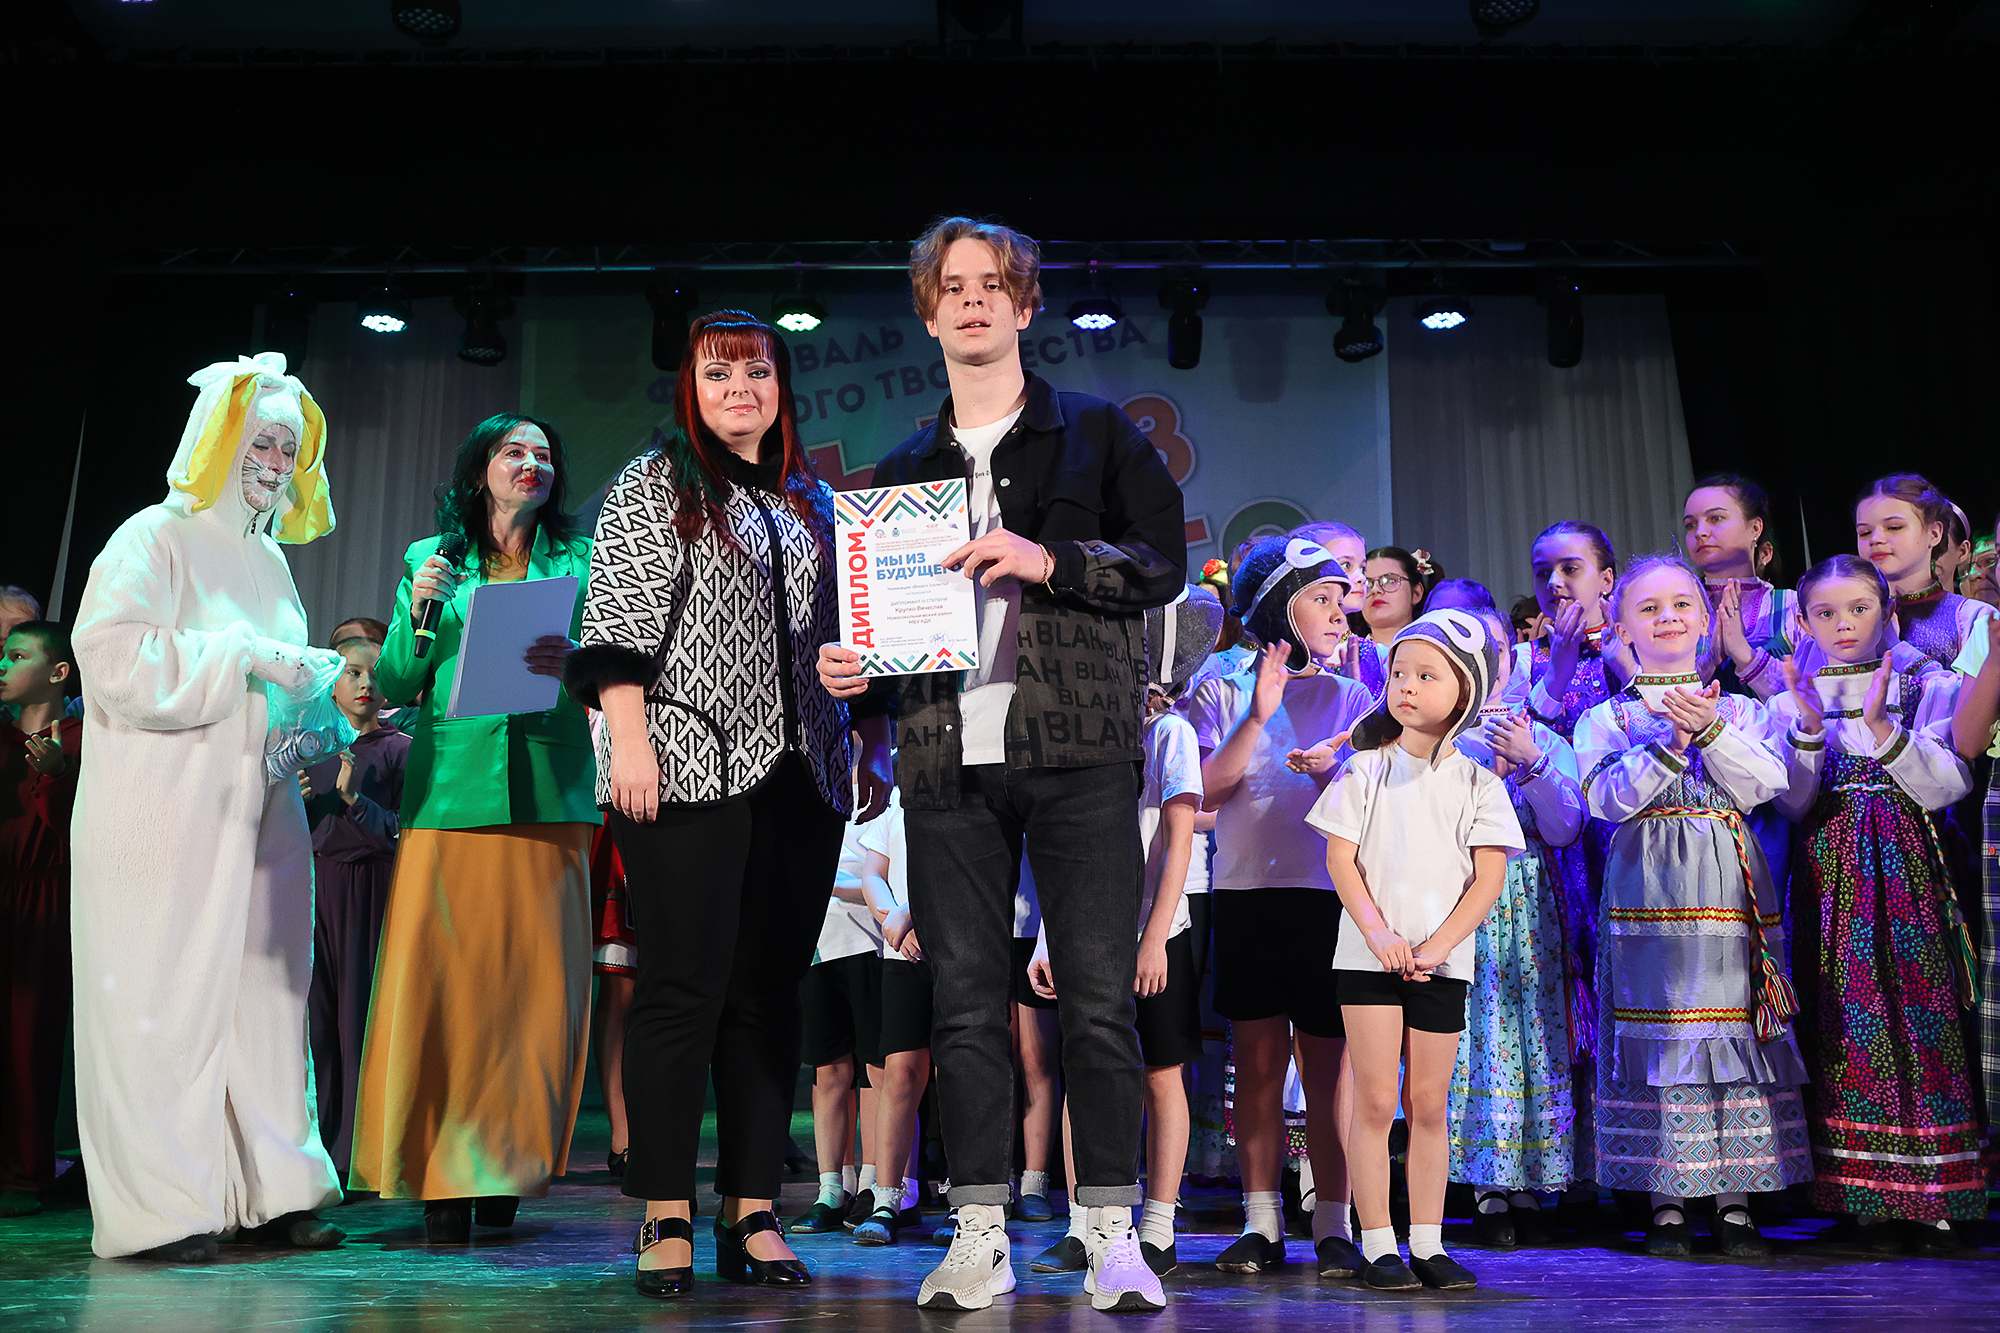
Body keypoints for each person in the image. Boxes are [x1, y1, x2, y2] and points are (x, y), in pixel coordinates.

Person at [817, 215, 1185, 1314]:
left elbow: (1160, 564)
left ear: (1025, 307)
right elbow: (882, 637)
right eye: (952, 286)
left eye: (992, 285)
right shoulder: (900, 473)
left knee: (1096, 1001)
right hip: (945, 758)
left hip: (1077, 749)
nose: (972, 301)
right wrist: (853, 671)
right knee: (965, 1006)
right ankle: (977, 1232)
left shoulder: (1096, 435)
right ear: (929, 314)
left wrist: (1049, 557)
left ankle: (1110, 1231)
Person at [566, 311, 888, 1300]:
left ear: (781, 386)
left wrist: (862, 701)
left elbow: (853, 636)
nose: (739, 389)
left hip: (804, 774)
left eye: (756, 372)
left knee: (768, 993)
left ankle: (751, 1207)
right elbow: (614, 624)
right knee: (682, 986)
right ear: (691, 389)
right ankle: (664, 1206)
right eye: (718, 373)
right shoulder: (655, 482)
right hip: (683, 761)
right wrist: (629, 741)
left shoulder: (814, 500)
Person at [70, 352, 348, 1260]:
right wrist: (245, 654)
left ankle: (276, 1190)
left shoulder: (270, 560)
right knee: (162, 1000)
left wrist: (310, 716)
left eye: (289, 448)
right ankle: (160, 1208)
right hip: (162, 817)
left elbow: (279, 695)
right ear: (221, 440)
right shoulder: (152, 536)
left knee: (267, 1000)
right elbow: (113, 656)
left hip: (258, 814)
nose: (275, 461)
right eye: (262, 441)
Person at [350, 411, 597, 1243]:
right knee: (442, 983)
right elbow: (396, 679)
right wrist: (421, 607)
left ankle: (506, 1165)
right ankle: (434, 1169)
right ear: (478, 469)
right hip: (451, 792)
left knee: (531, 991)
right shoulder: (431, 558)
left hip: (550, 788)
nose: (531, 463)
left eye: (543, 453)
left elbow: (617, 661)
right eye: (513, 451)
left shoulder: (581, 556)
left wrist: (579, 662)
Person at [1573, 552, 1810, 1259]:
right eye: (1648, 609)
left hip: (1728, 893)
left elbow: (1768, 783)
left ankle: (1735, 1196)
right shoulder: (1608, 716)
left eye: (1681, 605)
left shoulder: (1739, 709)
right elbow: (1604, 798)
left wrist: (1709, 731)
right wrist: (1670, 747)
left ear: (1705, 620)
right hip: (1648, 897)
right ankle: (1667, 1197)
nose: (1668, 617)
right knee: (1663, 1032)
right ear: (1622, 629)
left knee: (1733, 1025)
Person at [1768, 554, 1979, 1253]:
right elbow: (1793, 803)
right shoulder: (1791, 697)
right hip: (1829, 876)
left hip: (1907, 869)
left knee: (1919, 1014)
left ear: (1887, 611)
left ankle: (1933, 1193)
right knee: (1842, 1018)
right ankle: (1862, 1193)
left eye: (1859, 608)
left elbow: (1948, 785)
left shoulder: (1927, 684)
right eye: (1825, 612)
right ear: (1804, 623)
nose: (1843, 623)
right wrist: (1806, 727)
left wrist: (1884, 726)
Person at [1309, 608, 1520, 1292]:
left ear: (1464, 691)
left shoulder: (1480, 783)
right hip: (1366, 961)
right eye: (1400, 672)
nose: (1407, 685)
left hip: (1441, 964)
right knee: (1374, 1102)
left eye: (1427, 675)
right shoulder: (1363, 770)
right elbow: (1341, 859)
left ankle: (1427, 1242)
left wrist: (1437, 946)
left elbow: (1487, 879)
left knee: (1428, 1104)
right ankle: (1377, 1244)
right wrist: (1379, 933)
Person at [1190, 537, 1373, 1280]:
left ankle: (1333, 1222)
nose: (1338, 612)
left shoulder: (1353, 697)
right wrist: (1258, 713)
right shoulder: (1222, 687)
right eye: (1320, 598)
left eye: (1340, 598)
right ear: (1276, 607)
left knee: (1328, 1071)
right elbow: (1207, 790)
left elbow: (1366, 807)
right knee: (1258, 1067)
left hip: (1325, 899)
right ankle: (1261, 1222)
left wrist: (1334, 769)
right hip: (1246, 896)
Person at [1033, 584, 1224, 1277]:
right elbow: (1061, 847)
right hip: (1085, 925)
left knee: (1160, 1071)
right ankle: (1084, 1221)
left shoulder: (1170, 733)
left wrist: (1153, 938)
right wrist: (1049, 936)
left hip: (1156, 929)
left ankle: (1159, 1224)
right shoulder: (1085, 729)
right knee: (1084, 1063)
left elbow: (1177, 843)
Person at [1441, 604, 1585, 1247]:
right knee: (1474, 1035)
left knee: (1531, 1032)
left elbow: (1566, 826)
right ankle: (1485, 1183)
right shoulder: (1437, 742)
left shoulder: (1541, 736)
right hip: (1459, 899)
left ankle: (1529, 1175)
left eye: (1493, 647)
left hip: (1528, 906)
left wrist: (1530, 763)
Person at [301, 623, 409, 1181]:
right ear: (333, 685)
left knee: (359, 1020)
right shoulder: (309, 748)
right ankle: (318, 1152)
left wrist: (354, 801)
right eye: (353, 673)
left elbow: (407, 833)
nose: (365, 684)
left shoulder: (400, 750)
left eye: (374, 674)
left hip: (370, 892)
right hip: (315, 891)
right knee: (318, 1025)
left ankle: (359, 1155)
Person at [0, 620, 79, 1217]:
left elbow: (91, 827)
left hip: (47, 896)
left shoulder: (83, 739)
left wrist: (55, 773)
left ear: (57, 672)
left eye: (17, 656)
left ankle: (26, 1172)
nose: (3, 666)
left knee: (30, 1038)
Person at [790, 793, 888, 1234]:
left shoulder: (886, 789)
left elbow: (885, 872)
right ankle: (832, 1188)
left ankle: (873, 1182)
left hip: (873, 941)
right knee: (829, 1068)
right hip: (817, 941)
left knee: (875, 1068)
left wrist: (819, 878)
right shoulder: (810, 785)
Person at [854, 791, 931, 1244]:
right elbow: (872, 874)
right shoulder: (898, 800)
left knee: (962, 1073)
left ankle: (968, 1202)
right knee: (899, 1072)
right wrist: (895, 925)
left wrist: (911, 914)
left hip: (964, 947)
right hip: (904, 953)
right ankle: (887, 1199)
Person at [1854, 474, 1996, 671]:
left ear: (1934, 533)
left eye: (1894, 527)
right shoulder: (1846, 617)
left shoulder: (1974, 618)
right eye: (1865, 532)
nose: (1875, 539)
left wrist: (1896, 648)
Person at [1683, 476, 1795, 699]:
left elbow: (1816, 699)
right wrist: (1710, 660)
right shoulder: (1677, 610)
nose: (1700, 532)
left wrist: (1745, 655)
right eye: (1690, 525)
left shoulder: (1793, 606)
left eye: (1715, 518)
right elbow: (1657, 699)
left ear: (1755, 528)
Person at [1349, 546, 1441, 697]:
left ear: (1416, 593)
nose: (1376, 590)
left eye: (1390, 580)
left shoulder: (1436, 654)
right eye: (1367, 583)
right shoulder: (1346, 656)